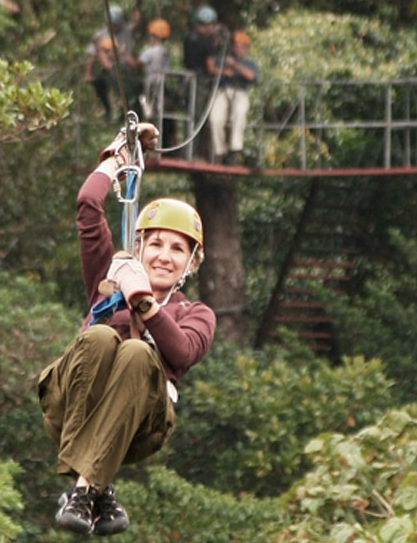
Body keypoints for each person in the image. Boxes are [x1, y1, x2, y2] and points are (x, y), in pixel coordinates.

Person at [38, 123, 216, 536]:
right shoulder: (109, 275)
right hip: (71, 406)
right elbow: (88, 204)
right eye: (154, 244)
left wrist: (145, 303)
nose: (163, 257)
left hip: (141, 426)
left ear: (191, 263)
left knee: (138, 354)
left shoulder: (197, 313)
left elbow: (183, 353)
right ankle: (97, 488)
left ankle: (84, 488)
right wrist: (116, 159)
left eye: (177, 249)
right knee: (101, 336)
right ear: (138, 247)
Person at [207, 31, 258, 165]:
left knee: (239, 114)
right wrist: (225, 70)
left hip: (240, 92)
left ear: (246, 49)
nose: (238, 49)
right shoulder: (222, 58)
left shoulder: (249, 63)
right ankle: (220, 151)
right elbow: (212, 69)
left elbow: (251, 76)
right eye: (236, 45)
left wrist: (235, 65)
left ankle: (234, 150)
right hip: (223, 90)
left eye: (241, 46)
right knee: (215, 117)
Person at [85, 5, 139, 121]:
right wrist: (88, 74)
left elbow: (136, 23)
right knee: (101, 84)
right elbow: (92, 55)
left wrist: (136, 9)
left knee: (127, 90)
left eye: (117, 24)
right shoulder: (101, 36)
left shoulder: (126, 31)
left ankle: (127, 108)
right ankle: (109, 109)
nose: (116, 27)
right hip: (109, 70)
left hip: (125, 69)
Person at [133, 18, 171, 127]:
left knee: (148, 111)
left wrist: (123, 55)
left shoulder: (150, 51)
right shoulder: (165, 51)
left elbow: (136, 64)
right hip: (163, 85)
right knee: (160, 111)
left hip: (152, 85)